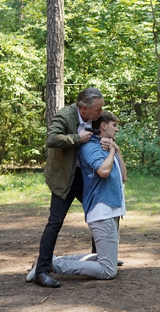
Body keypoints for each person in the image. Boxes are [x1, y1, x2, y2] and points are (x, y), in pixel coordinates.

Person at [26, 88, 110, 288]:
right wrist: (77, 138)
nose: (100, 113)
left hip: (86, 178)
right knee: (55, 222)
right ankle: (42, 271)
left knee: (100, 214)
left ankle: (101, 260)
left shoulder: (96, 118)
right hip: (64, 179)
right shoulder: (65, 116)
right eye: (98, 109)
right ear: (83, 108)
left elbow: (106, 131)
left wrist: (107, 142)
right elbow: (51, 139)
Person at [50, 111, 127, 281]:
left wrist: (116, 150)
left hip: (112, 209)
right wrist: (112, 152)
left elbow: (123, 177)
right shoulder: (91, 147)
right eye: (114, 125)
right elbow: (103, 171)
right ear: (103, 125)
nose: (117, 130)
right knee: (108, 270)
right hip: (102, 210)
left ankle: (54, 260)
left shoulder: (107, 146)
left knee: (108, 261)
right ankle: (54, 265)